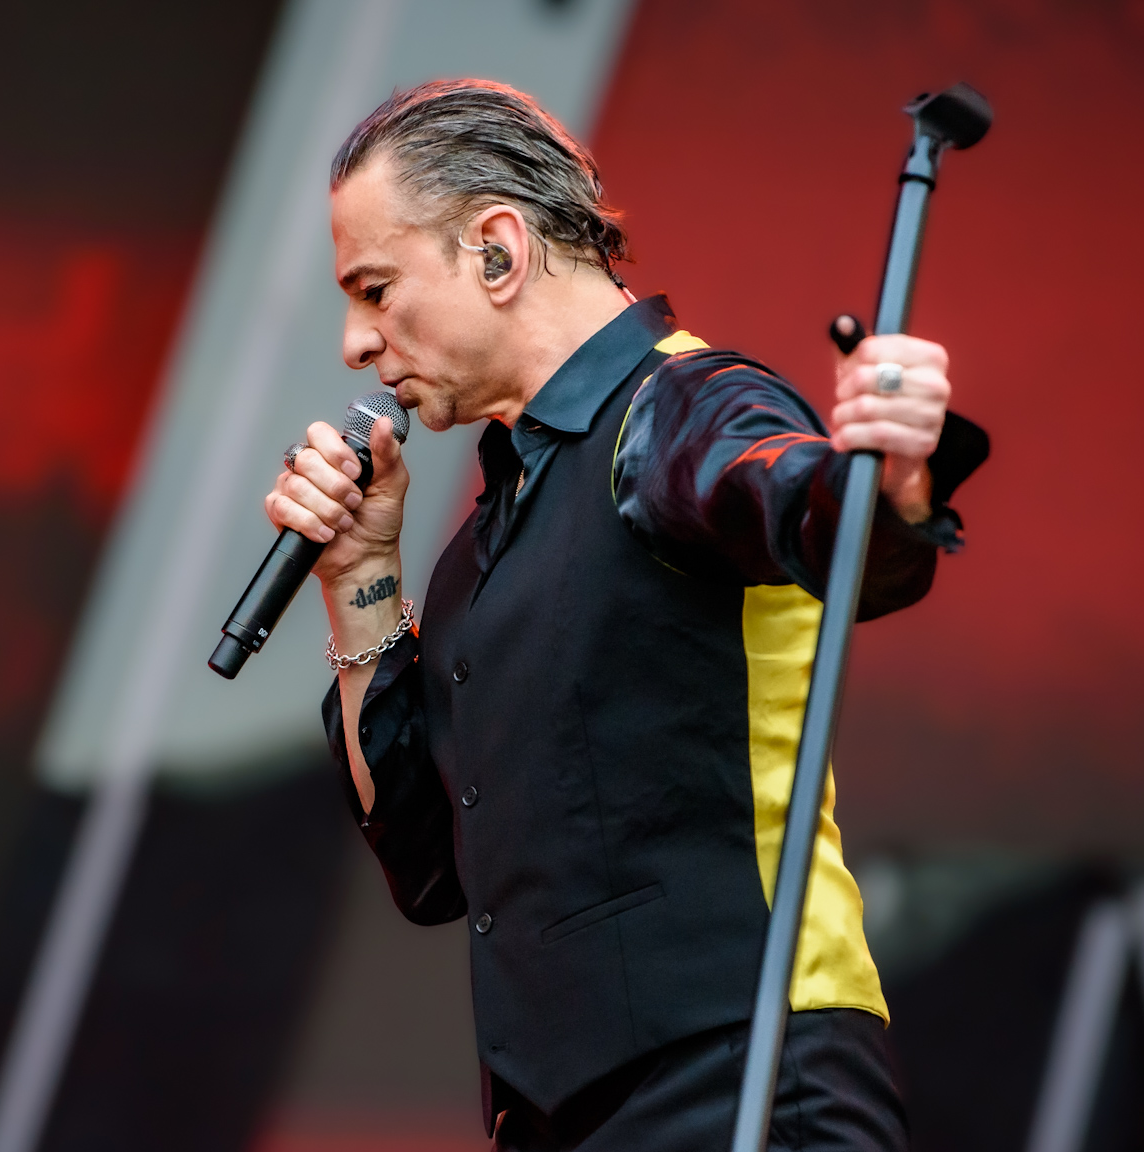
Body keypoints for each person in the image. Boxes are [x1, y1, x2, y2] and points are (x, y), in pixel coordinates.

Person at [267, 80, 988, 1150]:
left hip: (738, 1078)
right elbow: (425, 865)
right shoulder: (480, 554)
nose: (355, 343)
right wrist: (361, 572)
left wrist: (892, 482)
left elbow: (814, 514)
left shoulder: (683, 408)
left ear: (497, 252)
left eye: (375, 289)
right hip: (563, 1117)